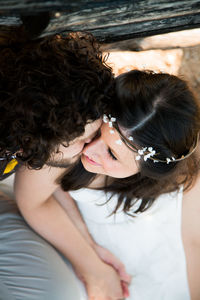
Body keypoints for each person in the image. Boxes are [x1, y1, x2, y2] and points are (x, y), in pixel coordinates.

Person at [15, 70, 200, 299]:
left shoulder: (177, 157)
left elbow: (192, 244)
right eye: (97, 134)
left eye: (112, 154)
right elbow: (31, 201)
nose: (89, 149)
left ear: (147, 171)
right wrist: (93, 266)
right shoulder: (73, 133)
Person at [0, 27, 130, 299]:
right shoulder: (30, 129)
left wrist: (91, 255)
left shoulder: (25, 121)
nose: (93, 146)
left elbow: (42, 188)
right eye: (84, 139)